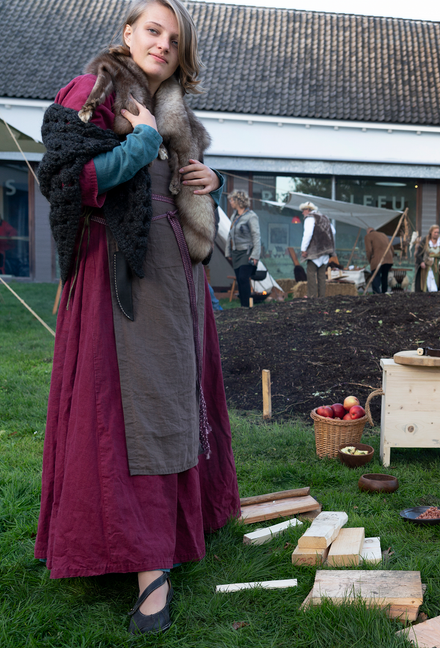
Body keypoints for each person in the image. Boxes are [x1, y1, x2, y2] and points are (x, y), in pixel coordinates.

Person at [34, 0, 239, 635]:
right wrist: (145, 139)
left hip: (177, 274)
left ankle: (170, 534)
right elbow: (70, 181)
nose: (162, 45)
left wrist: (209, 180)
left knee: (175, 400)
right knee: (132, 407)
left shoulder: (175, 109)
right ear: (128, 33)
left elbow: (175, 183)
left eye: (173, 39)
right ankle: (145, 560)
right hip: (119, 272)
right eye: (153, 31)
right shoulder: (91, 91)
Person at [226, 190, 260, 307]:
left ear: (238, 201)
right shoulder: (234, 216)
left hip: (247, 252)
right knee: (240, 281)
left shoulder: (251, 216)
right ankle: (243, 307)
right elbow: (229, 235)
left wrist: (255, 255)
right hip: (236, 252)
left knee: (243, 277)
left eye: (231, 200)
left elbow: (256, 236)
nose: (230, 202)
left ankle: (247, 306)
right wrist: (228, 252)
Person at [299, 201, 336, 298]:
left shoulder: (310, 218)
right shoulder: (325, 218)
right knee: (321, 275)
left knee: (311, 273)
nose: (302, 213)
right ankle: (321, 298)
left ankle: (312, 297)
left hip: (314, 251)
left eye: (303, 210)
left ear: (308, 210)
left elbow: (308, 234)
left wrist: (303, 249)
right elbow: (333, 231)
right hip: (325, 251)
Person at [415, 224, 440, 292]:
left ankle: (435, 294)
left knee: (437, 282)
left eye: (438, 232)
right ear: (431, 232)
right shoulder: (426, 240)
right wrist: (421, 262)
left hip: (437, 266)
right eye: (435, 232)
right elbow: (419, 253)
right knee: (427, 282)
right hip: (427, 265)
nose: (436, 234)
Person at [365, 226, 393, 294]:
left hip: (377, 260)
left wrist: (370, 261)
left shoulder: (368, 236)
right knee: (384, 276)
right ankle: (384, 292)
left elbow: (369, 251)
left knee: (375, 276)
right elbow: (392, 248)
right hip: (388, 259)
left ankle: (376, 294)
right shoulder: (383, 235)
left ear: (368, 231)